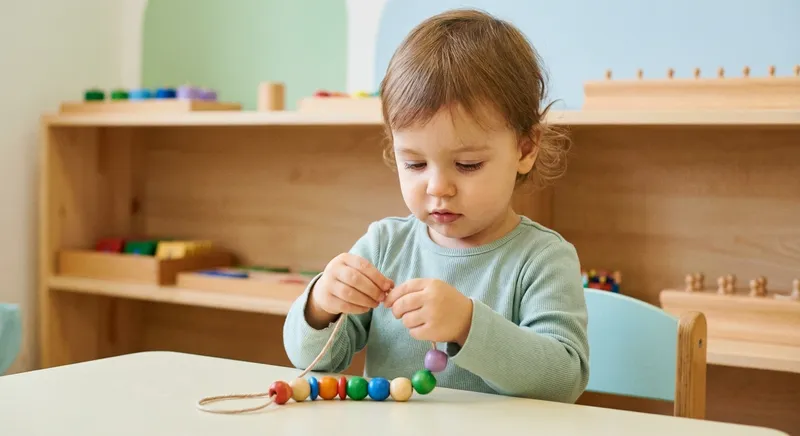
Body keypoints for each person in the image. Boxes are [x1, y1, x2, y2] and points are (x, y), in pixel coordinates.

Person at [283, 8, 589, 403]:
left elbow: (563, 380)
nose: (438, 187)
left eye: (467, 165)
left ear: (525, 149)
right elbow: (312, 360)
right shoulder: (384, 245)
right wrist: (321, 304)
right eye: (414, 163)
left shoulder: (543, 259)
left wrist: (467, 324)